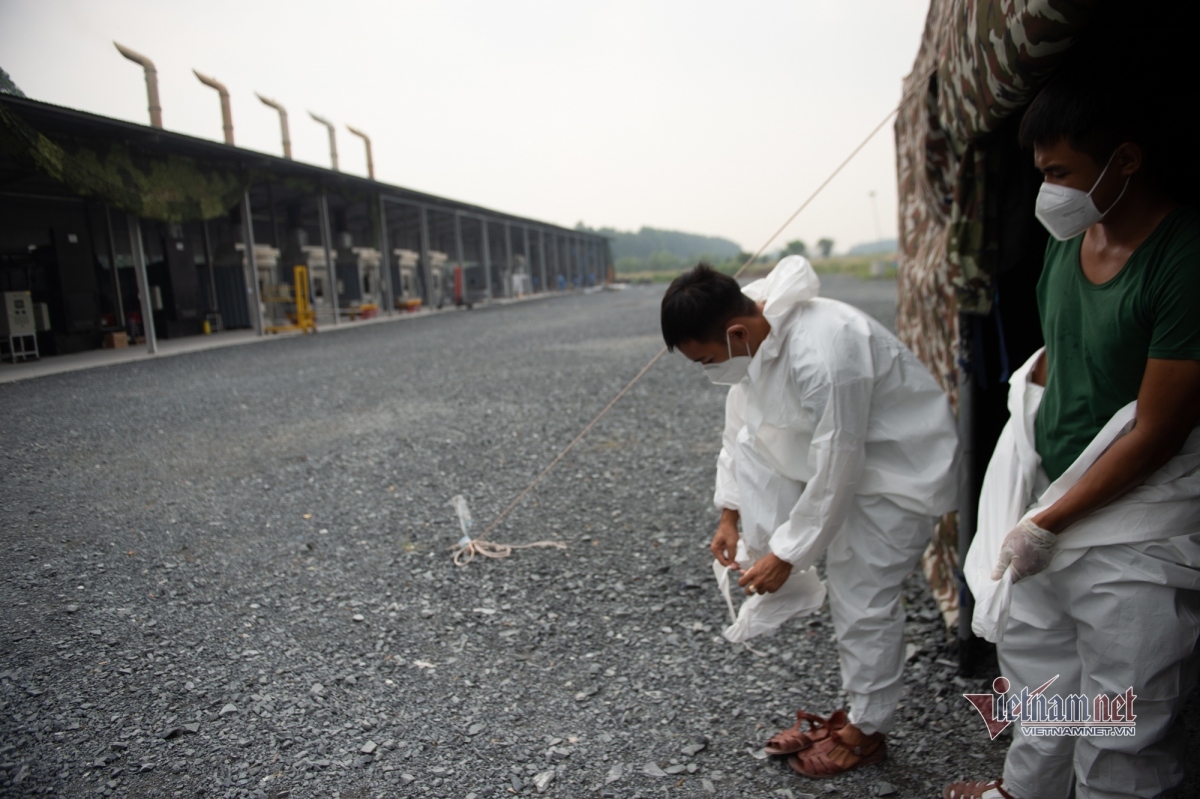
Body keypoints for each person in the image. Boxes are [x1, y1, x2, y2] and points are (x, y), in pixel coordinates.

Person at [945, 62, 1200, 799]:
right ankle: (1024, 792)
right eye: (1040, 172)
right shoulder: (1068, 237)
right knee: (1040, 678)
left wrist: (1050, 520)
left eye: (1061, 170)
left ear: (1126, 159)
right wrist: (1030, 483)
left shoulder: (1182, 258)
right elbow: (1059, 358)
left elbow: (1155, 430)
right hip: (1055, 504)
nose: (1047, 190)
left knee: (1125, 717)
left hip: (1138, 526)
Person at [660, 258, 959, 778]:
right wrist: (730, 513)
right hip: (845, 473)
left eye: (707, 360)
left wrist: (787, 553)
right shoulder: (753, 337)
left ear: (734, 331)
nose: (709, 371)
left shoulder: (824, 350)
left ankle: (866, 730)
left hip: (895, 476)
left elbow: (838, 462)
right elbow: (743, 429)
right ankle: (858, 710)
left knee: (863, 598)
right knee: (850, 593)